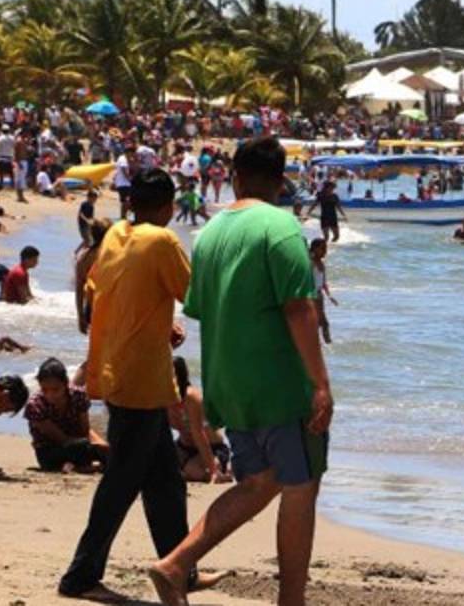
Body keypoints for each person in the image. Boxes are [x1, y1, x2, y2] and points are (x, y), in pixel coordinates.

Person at [150, 136, 333, 606]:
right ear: (281, 182)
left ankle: (175, 565)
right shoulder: (281, 227)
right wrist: (320, 384)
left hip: (227, 384)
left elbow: (198, 307)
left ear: (234, 178)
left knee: (259, 482)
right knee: (301, 487)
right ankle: (291, 600)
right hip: (279, 385)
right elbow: (299, 308)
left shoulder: (210, 233)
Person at [58, 168, 221, 601]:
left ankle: (180, 569)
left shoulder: (116, 235)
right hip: (140, 382)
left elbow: (103, 291)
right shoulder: (162, 240)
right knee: (119, 485)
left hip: (120, 371)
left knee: (166, 484)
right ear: (169, 207)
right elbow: (197, 297)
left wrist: (159, 325)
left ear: (130, 203)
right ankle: (80, 578)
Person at [25, 358, 108, 473]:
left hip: (78, 443)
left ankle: (75, 465)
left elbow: (85, 429)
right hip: (50, 450)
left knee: (108, 451)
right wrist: (87, 446)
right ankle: (80, 466)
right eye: (45, 390)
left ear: (65, 383)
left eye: (55, 390)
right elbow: (60, 438)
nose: (50, 395)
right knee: (82, 446)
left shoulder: (78, 396)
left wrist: (101, 446)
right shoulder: (35, 405)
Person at [168, 357, 231, 484]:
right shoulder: (163, 398)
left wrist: (213, 471)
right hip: (183, 447)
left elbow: (198, 434)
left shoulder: (190, 397)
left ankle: (224, 466)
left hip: (210, 447)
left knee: (195, 472)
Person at [75, 219, 113, 334]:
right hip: (112, 306)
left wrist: (80, 316)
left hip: (91, 307)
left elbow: (79, 289)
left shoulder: (84, 257)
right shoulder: (114, 254)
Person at [310, 237, 339, 345]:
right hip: (312, 296)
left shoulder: (321, 264)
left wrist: (330, 296)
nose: (325, 251)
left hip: (319, 295)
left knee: (319, 323)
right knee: (322, 323)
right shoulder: (310, 263)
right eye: (322, 248)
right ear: (314, 248)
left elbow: (323, 283)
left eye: (326, 248)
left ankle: (319, 345)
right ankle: (327, 345)